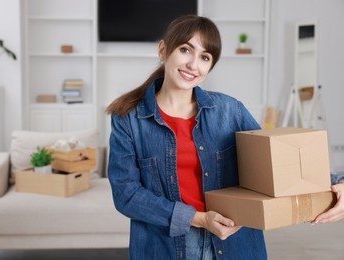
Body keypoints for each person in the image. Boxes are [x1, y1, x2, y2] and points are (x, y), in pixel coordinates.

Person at [106, 15, 344, 259]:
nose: (193, 64)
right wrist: (198, 219)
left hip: (234, 245)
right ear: (163, 50)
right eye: (186, 49)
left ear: (210, 67)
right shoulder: (128, 118)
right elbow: (127, 195)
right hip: (164, 248)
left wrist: (339, 184)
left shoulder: (231, 111)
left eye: (205, 57)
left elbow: (278, 164)